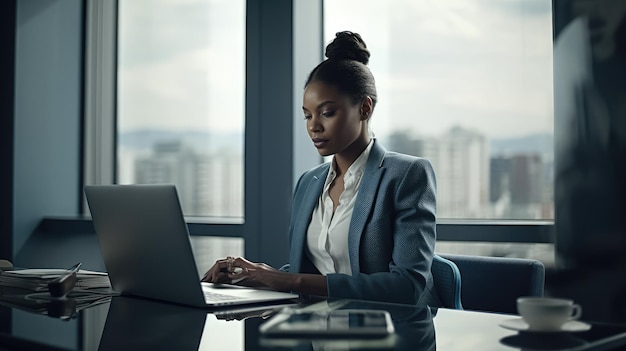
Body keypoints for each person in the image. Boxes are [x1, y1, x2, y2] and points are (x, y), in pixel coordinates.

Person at [202, 31, 438, 306]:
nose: (314, 126)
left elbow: (407, 286)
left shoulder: (406, 175)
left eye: (327, 112)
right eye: (307, 114)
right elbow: (308, 273)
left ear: (364, 108)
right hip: (318, 332)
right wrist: (249, 275)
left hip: (390, 332)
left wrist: (282, 279)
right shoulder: (309, 182)